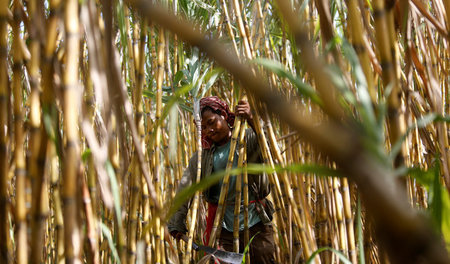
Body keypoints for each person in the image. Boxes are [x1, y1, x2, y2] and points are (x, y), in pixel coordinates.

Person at [168, 96, 276, 263]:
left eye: (211, 122)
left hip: (257, 223)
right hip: (223, 228)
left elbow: (269, 146)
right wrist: (176, 223)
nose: (208, 130)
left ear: (224, 115)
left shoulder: (248, 138)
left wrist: (252, 119)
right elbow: (185, 189)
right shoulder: (201, 158)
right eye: (203, 127)